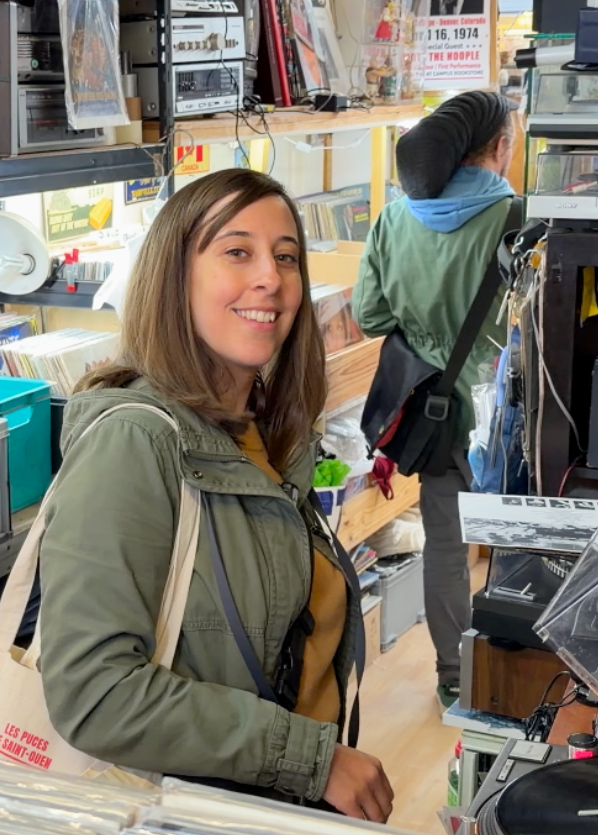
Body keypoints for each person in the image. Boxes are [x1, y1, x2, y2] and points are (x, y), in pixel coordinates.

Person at [36, 169, 395, 822]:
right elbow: (94, 692)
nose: (270, 278)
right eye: (237, 251)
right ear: (175, 277)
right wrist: (310, 759)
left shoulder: (264, 432)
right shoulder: (135, 442)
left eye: (286, 256)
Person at [353, 90, 519, 707]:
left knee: (445, 546)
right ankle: (515, 672)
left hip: (436, 413)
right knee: (518, 546)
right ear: (499, 147)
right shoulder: (520, 217)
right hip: (508, 420)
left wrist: (427, 329)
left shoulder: (394, 219)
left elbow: (371, 315)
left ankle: (455, 675)